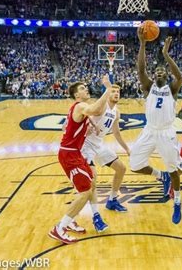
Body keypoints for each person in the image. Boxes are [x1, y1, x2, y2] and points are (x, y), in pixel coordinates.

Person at [49, 75, 112, 245]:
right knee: (85, 192)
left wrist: (91, 125)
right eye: (83, 88)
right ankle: (59, 228)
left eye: (86, 87)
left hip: (74, 153)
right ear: (77, 95)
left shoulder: (78, 107)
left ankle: (71, 221)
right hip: (70, 154)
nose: (86, 89)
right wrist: (107, 88)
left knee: (89, 185)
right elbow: (97, 110)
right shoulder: (80, 105)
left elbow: (78, 121)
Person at [129, 28, 182, 224]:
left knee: (173, 169)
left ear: (166, 75)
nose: (160, 73)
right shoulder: (147, 86)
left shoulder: (172, 88)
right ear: (154, 75)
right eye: (157, 71)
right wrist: (143, 44)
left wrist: (166, 55)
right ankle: (160, 176)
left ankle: (177, 201)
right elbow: (141, 69)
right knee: (134, 165)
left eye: (163, 71)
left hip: (167, 132)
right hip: (149, 130)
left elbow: (180, 78)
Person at [81, 84, 130, 216]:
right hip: (86, 145)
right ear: (107, 94)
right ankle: (94, 213)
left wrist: (126, 148)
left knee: (121, 168)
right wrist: (88, 127)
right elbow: (84, 114)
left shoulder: (116, 112)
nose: (116, 94)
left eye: (118, 92)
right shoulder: (102, 106)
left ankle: (112, 200)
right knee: (92, 180)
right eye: (113, 91)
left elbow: (117, 133)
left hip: (99, 145)